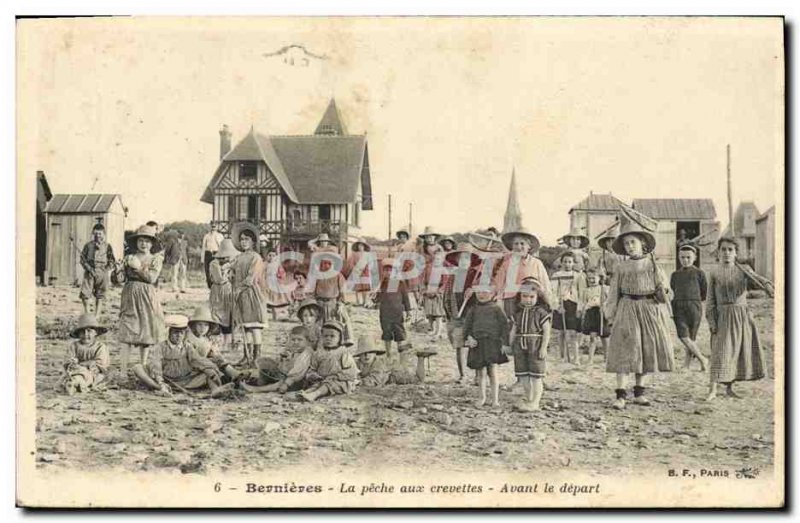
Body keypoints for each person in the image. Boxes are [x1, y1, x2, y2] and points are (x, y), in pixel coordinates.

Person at [604, 209, 674, 409]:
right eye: (626, 244)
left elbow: (665, 296)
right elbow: (613, 293)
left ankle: (639, 392)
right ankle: (620, 395)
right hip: (627, 308)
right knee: (625, 349)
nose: (629, 246)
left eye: (633, 242)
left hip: (649, 309)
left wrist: (664, 290)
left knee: (645, 349)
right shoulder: (621, 267)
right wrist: (611, 314)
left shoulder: (654, 266)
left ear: (643, 244)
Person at [705, 237, 766, 401]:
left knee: (736, 352)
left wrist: (756, 277)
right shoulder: (714, 272)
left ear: (736, 253)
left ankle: (729, 388)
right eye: (723, 249)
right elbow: (710, 299)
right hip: (723, 315)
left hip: (742, 315)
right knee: (719, 352)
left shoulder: (743, 270)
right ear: (718, 252)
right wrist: (712, 320)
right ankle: (712, 390)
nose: (726, 253)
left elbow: (761, 286)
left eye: (730, 250)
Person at [131, 314, 232, 397]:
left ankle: (215, 390)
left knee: (207, 373)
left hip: (186, 380)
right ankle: (159, 388)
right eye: (175, 333)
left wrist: (211, 370)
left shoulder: (187, 347)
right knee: (137, 368)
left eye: (181, 333)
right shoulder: (160, 347)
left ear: (184, 335)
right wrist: (160, 382)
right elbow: (156, 364)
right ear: (169, 333)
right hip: (167, 379)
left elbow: (198, 360)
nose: (178, 336)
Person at [118, 224, 167, 378]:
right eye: (140, 240)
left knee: (146, 331)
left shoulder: (155, 259)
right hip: (130, 294)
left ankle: (143, 367)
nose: (143, 243)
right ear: (136, 242)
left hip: (147, 295)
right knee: (127, 331)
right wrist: (119, 270)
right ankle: (123, 371)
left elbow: (151, 278)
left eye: (147, 241)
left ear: (152, 244)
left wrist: (138, 269)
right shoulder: (129, 257)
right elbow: (120, 279)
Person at [509, 278, 552, 411]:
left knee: (536, 376)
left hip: (535, 346)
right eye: (525, 296)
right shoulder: (518, 313)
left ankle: (535, 402)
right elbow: (513, 331)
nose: (528, 299)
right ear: (520, 296)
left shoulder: (541, 312)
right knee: (523, 375)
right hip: (520, 346)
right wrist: (510, 345)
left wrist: (544, 347)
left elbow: (546, 331)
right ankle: (528, 398)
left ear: (537, 297)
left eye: (532, 297)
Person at [492, 227, 552, 323]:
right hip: (510, 301)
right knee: (511, 327)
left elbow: (545, 284)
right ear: (512, 246)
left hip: (531, 301)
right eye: (516, 244)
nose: (519, 247)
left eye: (522, 244)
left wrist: (548, 301)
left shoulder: (536, 263)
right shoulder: (507, 263)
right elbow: (498, 284)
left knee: (529, 326)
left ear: (529, 247)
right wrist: (498, 300)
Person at [463, 289, 510, 408]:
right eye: (478, 292)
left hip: (493, 343)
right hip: (477, 344)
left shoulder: (497, 309)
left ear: (493, 293)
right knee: (481, 372)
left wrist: (505, 343)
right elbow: (467, 326)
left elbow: (504, 326)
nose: (481, 295)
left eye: (485, 292)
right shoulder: (473, 309)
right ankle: (482, 398)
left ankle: (495, 399)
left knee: (493, 371)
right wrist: (469, 338)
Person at [442, 243, 481, 384]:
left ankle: (478, 376)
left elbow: (487, 292)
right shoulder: (453, 277)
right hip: (457, 315)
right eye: (461, 258)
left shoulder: (477, 276)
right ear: (457, 260)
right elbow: (446, 296)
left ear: (471, 260)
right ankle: (463, 374)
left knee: (476, 346)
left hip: (474, 316)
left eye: (467, 258)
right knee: (459, 346)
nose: (464, 261)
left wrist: (475, 290)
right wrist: (449, 313)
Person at [229, 222, 266, 367]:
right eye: (242, 239)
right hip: (241, 296)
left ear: (253, 241)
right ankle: (247, 355)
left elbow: (251, 278)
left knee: (254, 326)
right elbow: (231, 268)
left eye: (247, 239)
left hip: (251, 294)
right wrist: (228, 272)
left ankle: (257, 357)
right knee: (245, 327)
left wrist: (239, 288)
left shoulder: (255, 258)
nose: (244, 242)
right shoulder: (239, 257)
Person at [670, 244, 710, 371]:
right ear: (678, 258)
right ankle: (702, 358)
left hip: (694, 306)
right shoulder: (675, 275)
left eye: (688, 257)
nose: (685, 260)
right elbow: (673, 289)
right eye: (682, 257)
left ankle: (686, 365)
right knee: (683, 336)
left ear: (694, 258)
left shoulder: (699, 273)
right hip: (678, 306)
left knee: (691, 337)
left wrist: (694, 300)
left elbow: (704, 292)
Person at [242, 325, 314, 394]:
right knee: (265, 364)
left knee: (278, 384)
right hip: (286, 375)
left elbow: (297, 374)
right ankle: (245, 376)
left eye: (299, 340)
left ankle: (256, 389)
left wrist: (286, 384)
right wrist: (283, 359)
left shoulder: (306, 354)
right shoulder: (296, 350)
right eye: (293, 340)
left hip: (296, 381)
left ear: (307, 341)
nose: (296, 342)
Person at [299, 321, 359, 402]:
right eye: (325, 336)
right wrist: (313, 375)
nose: (328, 338)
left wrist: (336, 376)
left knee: (329, 384)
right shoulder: (318, 353)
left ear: (339, 338)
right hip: (322, 379)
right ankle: (306, 393)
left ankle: (314, 394)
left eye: (332, 336)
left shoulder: (343, 352)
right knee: (316, 384)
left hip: (340, 381)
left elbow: (352, 372)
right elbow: (312, 368)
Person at [187, 305, 240, 383]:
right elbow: (194, 358)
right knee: (213, 370)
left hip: (205, 364)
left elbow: (212, 354)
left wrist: (215, 354)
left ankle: (234, 375)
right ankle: (225, 378)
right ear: (194, 325)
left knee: (218, 359)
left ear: (209, 327)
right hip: (194, 366)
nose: (203, 328)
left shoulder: (206, 339)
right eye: (200, 325)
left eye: (206, 325)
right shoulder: (190, 339)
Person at [61, 313, 111, 394]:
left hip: (94, 372)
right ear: (78, 334)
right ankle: (73, 383)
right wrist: (71, 362)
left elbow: (100, 363)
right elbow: (67, 360)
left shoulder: (100, 347)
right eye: (82, 332)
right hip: (76, 370)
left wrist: (83, 364)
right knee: (70, 376)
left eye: (89, 331)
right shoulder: (74, 346)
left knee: (95, 376)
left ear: (96, 333)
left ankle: (78, 384)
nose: (85, 334)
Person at [372, 258, 412, 360]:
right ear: (383, 272)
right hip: (385, 313)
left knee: (399, 333)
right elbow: (377, 300)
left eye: (391, 270)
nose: (388, 273)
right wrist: (374, 295)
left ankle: (401, 352)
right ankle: (388, 353)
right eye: (386, 270)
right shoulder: (381, 285)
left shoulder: (399, 283)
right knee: (386, 332)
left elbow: (405, 299)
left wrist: (408, 312)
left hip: (397, 313)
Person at [551, 251, 586, 364]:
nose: (567, 264)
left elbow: (582, 294)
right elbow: (553, 292)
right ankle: (563, 356)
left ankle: (575, 357)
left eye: (569, 262)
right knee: (561, 332)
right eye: (565, 261)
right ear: (561, 262)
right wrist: (556, 306)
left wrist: (579, 308)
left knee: (573, 332)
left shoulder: (578, 276)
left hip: (573, 305)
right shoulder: (556, 276)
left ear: (573, 263)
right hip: (561, 305)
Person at [313, 258, 353, 346]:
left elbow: (343, 292)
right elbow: (313, 291)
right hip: (319, 304)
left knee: (340, 320)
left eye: (329, 264)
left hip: (333, 303)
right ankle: (318, 342)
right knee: (317, 324)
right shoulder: (317, 276)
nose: (326, 266)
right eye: (324, 264)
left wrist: (341, 304)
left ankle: (343, 340)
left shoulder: (338, 276)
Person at [79, 223, 116, 318]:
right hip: (89, 272)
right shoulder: (88, 245)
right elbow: (82, 259)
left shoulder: (108, 246)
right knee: (85, 294)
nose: (97, 236)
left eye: (100, 234)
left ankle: (97, 316)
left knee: (100, 295)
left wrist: (105, 270)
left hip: (102, 273)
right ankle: (87, 314)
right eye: (95, 233)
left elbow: (112, 261)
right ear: (92, 233)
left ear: (104, 234)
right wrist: (89, 269)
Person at [209, 238, 239, 353]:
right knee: (216, 315)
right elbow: (219, 279)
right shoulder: (214, 264)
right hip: (218, 290)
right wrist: (226, 269)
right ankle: (216, 342)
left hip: (228, 291)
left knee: (229, 315)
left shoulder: (231, 264)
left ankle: (228, 342)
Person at [418, 226, 446, 338]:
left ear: (435, 237)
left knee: (438, 310)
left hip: (437, 280)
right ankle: (432, 329)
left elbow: (442, 259)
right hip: (427, 275)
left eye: (431, 236)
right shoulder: (422, 248)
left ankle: (438, 331)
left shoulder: (439, 248)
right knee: (429, 309)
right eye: (427, 237)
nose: (429, 238)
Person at [580, 268, 610, 364]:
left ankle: (607, 357)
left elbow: (609, 300)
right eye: (589, 279)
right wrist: (584, 309)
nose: (591, 280)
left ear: (599, 278)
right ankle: (590, 359)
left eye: (594, 278)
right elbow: (584, 302)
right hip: (592, 314)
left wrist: (604, 305)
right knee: (593, 337)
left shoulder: (604, 288)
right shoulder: (586, 290)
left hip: (602, 313)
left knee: (604, 337)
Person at [343, 239, 373, 308]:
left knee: (365, 288)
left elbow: (371, 263)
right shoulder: (354, 254)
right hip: (357, 272)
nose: (360, 247)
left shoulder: (367, 254)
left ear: (364, 246)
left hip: (365, 272)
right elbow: (351, 263)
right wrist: (354, 268)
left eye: (362, 245)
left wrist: (367, 268)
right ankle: (358, 301)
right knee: (357, 287)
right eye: (359, 245)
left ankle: (365, 301)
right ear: (357, 246)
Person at [262, 250, 292, 321]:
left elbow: (282, 273)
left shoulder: (277, 264)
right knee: (265, 299)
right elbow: (261, 273)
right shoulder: (265, 264)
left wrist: (280, 276)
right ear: (267, 256)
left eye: (273, 255)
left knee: (274, 300)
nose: (271, 257)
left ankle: (275, 316)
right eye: (270, 255)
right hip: (266, 282)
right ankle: (264, 317)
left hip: (274, 282)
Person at [202, 222, 224, 288]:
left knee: (216, 270)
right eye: (212, 226)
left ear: (217, 227)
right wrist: (202, 258)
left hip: (216, 253)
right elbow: (203, 247)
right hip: (208, 253)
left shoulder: (220, 235)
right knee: (207, 270)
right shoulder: (206, 236)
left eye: (214, 226)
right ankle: (210, 286)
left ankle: (216, 286)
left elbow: (221, 246)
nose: (213, 228)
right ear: (210, 227)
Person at [171, 230, 189, 294]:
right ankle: (174, 287)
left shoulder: (185, 242)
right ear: (177, 234)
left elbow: (187, 251)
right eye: (180, 233)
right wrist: (170, 258)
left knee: (183, 274)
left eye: (183, 234)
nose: (181, 235)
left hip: (183, 259)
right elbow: (168, 250)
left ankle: (182, 288)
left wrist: (186, 259)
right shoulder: (173, 241)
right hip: (175, 259)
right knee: (174, 274)